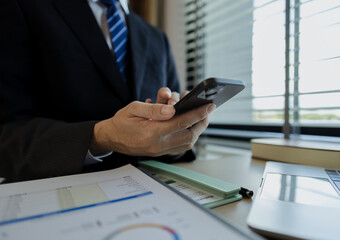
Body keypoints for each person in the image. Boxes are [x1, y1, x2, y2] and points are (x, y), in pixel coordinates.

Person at [0, 0, 215, 183]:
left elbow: (166, 130)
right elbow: (7, 136)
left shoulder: (157, 38)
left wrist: (175, 141)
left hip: (151, 199)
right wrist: (101, 136)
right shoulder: (21, 7)